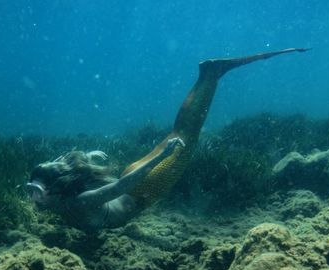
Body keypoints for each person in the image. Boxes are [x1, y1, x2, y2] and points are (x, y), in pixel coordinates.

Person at [25, 47, 309, 230]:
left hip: (143, 188)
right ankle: (210, 73)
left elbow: (123, 185)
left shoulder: (77, 202)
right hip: (134, 184)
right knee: (181, 133)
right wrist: (89, 160)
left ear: (55, 190)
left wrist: (164, 156)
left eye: (36, 191)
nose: (33, 199)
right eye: (31, 191)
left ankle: (211, 74)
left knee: (186, 136)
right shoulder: (62, 200)